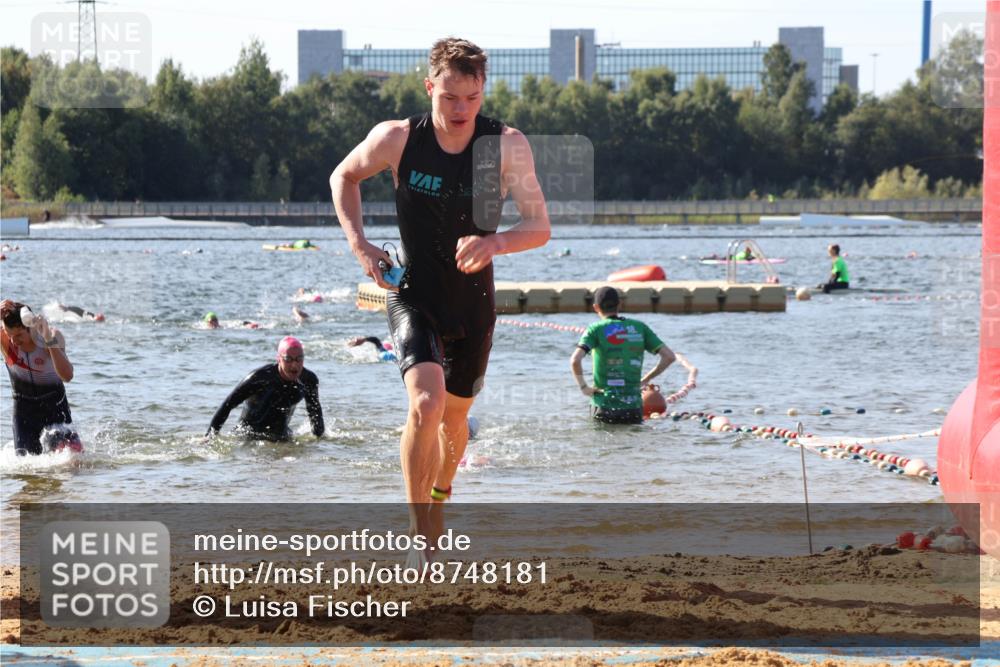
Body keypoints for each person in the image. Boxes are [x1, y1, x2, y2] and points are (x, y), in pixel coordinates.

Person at [330, 37, 550, 540]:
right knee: (425, 406)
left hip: (473, 304)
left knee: (454, 422)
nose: (460, 109)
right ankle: (418, 528)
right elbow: (344, 176)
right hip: (414, 294)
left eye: (472, 98)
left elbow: (539, 226)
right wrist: (360, 244)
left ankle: (440, 495)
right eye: (449, 97)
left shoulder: (506, 145)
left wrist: (495, 243)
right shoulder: (398, 138)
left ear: (483, 92)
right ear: (429, 87)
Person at [570, 287, 696, 425]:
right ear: (620, 304)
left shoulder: (595, 329)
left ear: (596, 307)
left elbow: (575, 360)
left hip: (603, 405)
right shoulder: (639, 327)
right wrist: (646, 379)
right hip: (633, 407)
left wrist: (584, 387)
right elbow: (669, 357)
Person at [206, 336, 324, 442]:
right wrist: (209, 436)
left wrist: (319, 439)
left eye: (299, 359)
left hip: (281, 437)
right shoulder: (259, 378)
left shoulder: (308, 380)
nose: (294, 365)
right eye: (288, 359)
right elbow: (228, 405)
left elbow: (314, 410)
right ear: (279, 359)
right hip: (247, 436)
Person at [1, 300, 75, 455]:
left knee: (71, 462)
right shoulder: (5, 340)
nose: (14, 341)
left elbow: (67, 376)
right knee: (26, 466)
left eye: (19, 335)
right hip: (24, 414)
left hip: (55, 409)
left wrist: (48, 339)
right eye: (10, 334)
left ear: (31, 327)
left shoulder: (51, 336)